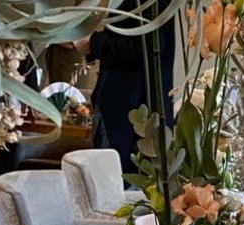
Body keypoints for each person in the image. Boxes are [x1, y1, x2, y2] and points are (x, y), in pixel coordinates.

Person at [72, 0, 175, 175]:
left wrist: (94, 43)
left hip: (131, 112)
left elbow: (146, 48)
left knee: (114, 179)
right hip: (124, 108)